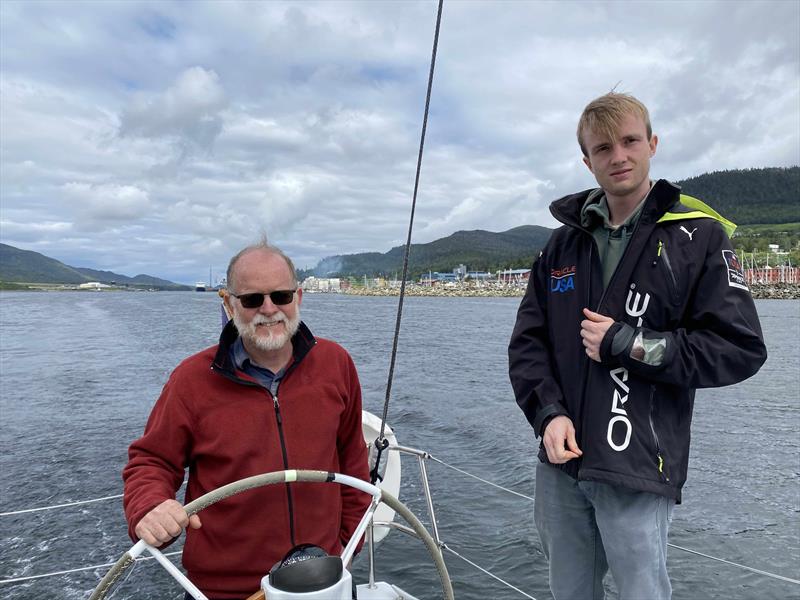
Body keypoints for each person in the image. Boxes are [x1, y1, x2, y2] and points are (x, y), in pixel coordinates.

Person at [508, 92, 767, 600]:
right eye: (603, 148)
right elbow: (528, 344)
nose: (618, 156)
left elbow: (739, 348)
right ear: (587, 160)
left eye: (629, 141)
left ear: (652, 144)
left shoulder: (698, 237)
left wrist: (630, 345)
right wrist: (548, 414)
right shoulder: (561, 245)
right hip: (562, 464)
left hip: (638, 465)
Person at [123, 240, 371, 600]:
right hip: (226, 590)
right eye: (253, 299)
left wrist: (346, 546)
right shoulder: (191, 380)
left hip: (324, 577)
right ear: (228, 302)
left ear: (298, 297)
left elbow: (352, 460)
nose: (269, 310)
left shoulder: (336, 364)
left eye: (281, 296)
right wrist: (150, 506)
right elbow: (152, 461)